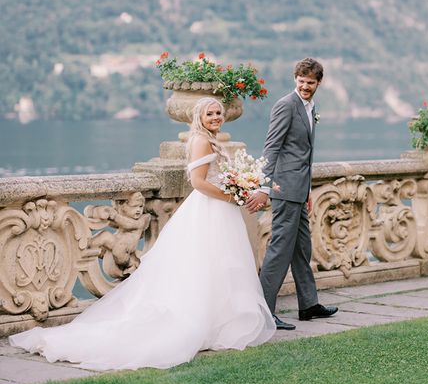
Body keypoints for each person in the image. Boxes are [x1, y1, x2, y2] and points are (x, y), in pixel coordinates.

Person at [9, 98, 275, 370]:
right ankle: (200, 322)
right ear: (200, 116)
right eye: (210, 113)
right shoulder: (201, 141)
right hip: (210, 209)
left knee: (217, 265)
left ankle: (217, 320)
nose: (216, 117)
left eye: (219, 112)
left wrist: (239, 190)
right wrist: (233, 198)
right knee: (204, 265)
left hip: (219, 211)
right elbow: (198, 183)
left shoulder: (210, 140)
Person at [246, 57, 338, 330]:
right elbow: (272, 148)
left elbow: (304, 155)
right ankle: (263, 311)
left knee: (302, 249)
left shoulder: (309, 107)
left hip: (299, 191)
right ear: (294, 79)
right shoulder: (286, 105)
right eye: (301, 81)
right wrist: (264, 188)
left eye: (310, 82)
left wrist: (308, 189)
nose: (305, 86)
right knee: (279, 250)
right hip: (283, 190)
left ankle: (308, 305)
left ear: (318, 83)